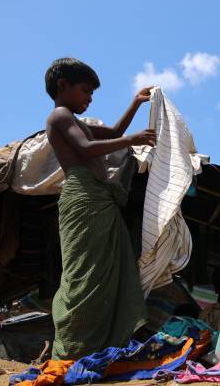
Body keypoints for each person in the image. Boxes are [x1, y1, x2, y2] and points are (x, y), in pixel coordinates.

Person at [44, 57, 156, 359]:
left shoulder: (78, 122)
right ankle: (74, 348)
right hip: (83, 199)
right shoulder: (59, 116)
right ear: (62, 86)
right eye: (85, 91)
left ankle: (104, 343)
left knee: (108, 271)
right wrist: (132, 139)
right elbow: (86, 149)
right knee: (86, 275)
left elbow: (116, 130)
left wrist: (136, 103)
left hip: (99, 199)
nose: (90, 98)